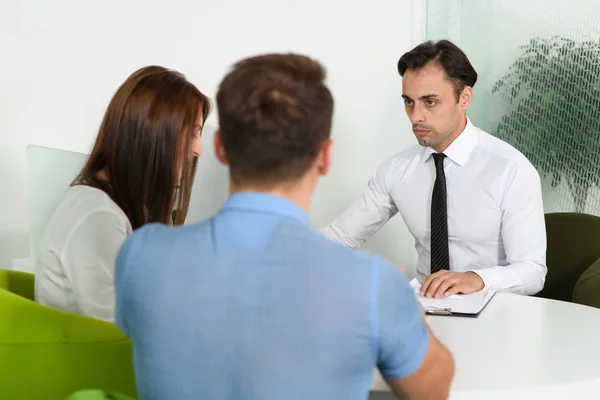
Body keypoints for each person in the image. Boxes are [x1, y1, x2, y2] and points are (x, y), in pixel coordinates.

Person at [114, 53, 454, 400]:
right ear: (324, 157)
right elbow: (434, 388)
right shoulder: (372, 285)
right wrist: (407, 313)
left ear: (220, 148)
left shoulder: (140, 255)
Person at [321, 40, 547, 298]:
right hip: (426, 313)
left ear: (464, 98)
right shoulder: (396, 171)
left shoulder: (511, 170)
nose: (416, 116)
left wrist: (476, 279)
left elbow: (532, 271)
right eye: (409, 102)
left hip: (496, 311)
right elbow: (341, 236)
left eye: (429, 102)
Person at [35, 66, 211, 322]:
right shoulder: (97, 214)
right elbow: (119, 331)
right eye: (193, 132)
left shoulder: (113, 206)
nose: (199, 150)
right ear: (153, 132)